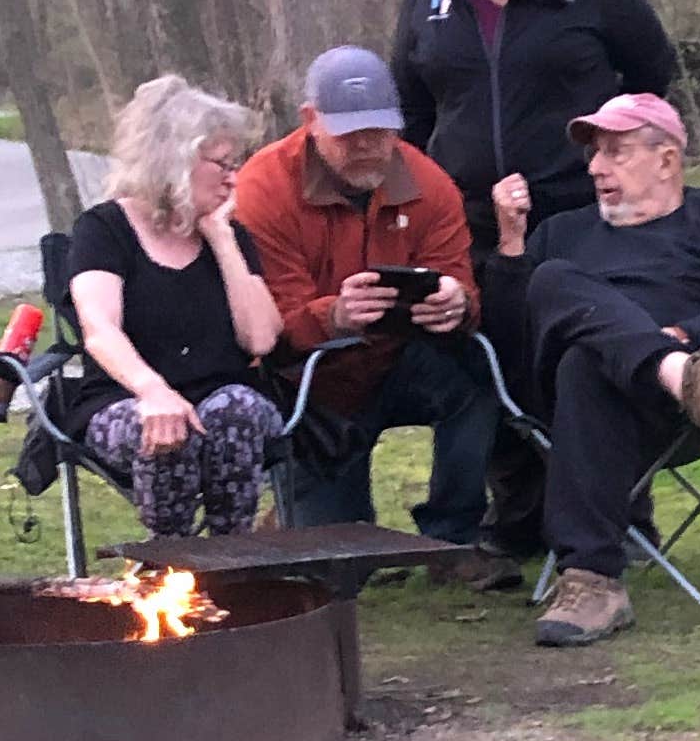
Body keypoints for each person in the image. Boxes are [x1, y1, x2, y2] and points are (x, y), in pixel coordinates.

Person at [484, 93, 700, 650]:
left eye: (616, 152)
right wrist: (510, 244)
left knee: (589, 360)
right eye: (595, 155)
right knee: (558, 293)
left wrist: (688, 334)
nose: (596, 168)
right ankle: (674, 371)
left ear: (667, 160)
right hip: (581, 401)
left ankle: (592, 580)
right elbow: (510, 334)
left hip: (696, 411)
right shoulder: (561, 233)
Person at [229, 46, 504, 551]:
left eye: (379, 131)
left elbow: (460, 281)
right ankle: (296, 511)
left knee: (476, 371)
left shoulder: (430, 185)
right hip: (307, 386)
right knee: (344, 560)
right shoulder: (262, 189)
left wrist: (455, 303)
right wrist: (334, 315)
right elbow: (270, 331)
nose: (367, 146)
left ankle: (454, 537)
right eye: (349, 133)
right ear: (311, 121)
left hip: (398, 362)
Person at [388, 0, 681, 248]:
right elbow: (411, 104)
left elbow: (652, 70)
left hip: (577, 213)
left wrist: (607, 150)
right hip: (465, 218)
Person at [64, 72, 281, 538]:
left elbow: (261, 337)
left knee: (236, 409)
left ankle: (232, 560)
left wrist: (222, 241)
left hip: (227, 399)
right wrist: (152, 390)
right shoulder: (104, 230)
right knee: (163, 427)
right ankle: (173, 567)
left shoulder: (231, 234)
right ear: (173, 163)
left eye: (234, 163)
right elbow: (100, 329)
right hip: (127, 400)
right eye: (221, 164)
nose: (233, 178)